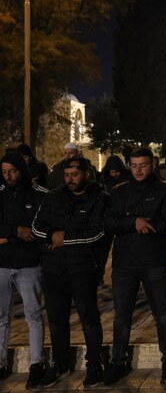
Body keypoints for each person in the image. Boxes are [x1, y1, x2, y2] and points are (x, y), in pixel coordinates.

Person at [103, 147, 166, 386]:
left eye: (143, 165)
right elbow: (108, 222)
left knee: (162, 315)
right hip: (124, 263)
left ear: (153, 164)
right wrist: (133, 221)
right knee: (122, 317)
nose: (138, 170)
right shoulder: (118, 191)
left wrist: (149, 224)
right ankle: (118, 362)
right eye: (134, 166)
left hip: (154, 261)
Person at [32, 156, 108, 388]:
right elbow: (37, 226)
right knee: (56, 321)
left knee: (89, 319)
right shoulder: (54, 196)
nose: (70, 179)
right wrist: (51, 235)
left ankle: (94, 366)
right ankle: (60, 365)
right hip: (54, 269)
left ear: (86, 174)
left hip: (82, 268)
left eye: (75, 175)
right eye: (67, 175)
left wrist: (63, 239)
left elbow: (96, 233)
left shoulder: (100, 197)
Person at [0, 153, 48, 387]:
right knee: (0, 317)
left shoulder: (39, 195)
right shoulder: (0, 193)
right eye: (4, 171)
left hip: (29, 265)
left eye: (13, 171)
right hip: (2, 264)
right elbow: (21, 230)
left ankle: (36, 364)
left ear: (22, 170)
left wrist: (6, 236)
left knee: (34, 315)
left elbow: (37, 229)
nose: (8, 176)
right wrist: (15, 231)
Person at [98, 155, 131, 285]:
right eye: (112, 172)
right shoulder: (104, 181)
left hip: (124, 218)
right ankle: (99, 274)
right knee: (103, 249)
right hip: (108, 218)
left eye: (117, 171)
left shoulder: (128, 180)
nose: (115, 174)